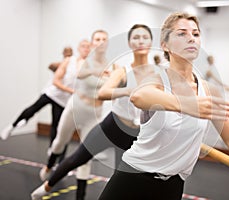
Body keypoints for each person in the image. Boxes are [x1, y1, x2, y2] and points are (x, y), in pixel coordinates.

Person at [98, 12, 229, 200]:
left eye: (195, 34)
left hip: (173, 185)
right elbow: (139, 96)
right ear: (165, 45)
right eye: (182, 34)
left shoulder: (208, 90)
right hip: (133, 176)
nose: (191, 39)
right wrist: (186, 104)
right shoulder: (156, 79)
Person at [31, 24, 158, 200]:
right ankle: (47, 186)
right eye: (136, 37)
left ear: (151, 42)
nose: (141, 41)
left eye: (145, 37)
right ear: (129, 43)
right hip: (112, 125)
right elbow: (103, 92)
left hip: (134, 134)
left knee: (122, 177)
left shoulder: (157, 74)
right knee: (78, 157)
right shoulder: (122, 71)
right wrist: (126, 91)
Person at [38, 30, 109, 200]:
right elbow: (83, 77)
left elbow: (110, 87)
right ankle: (49, 166)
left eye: (103, 39)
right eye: (97, 39)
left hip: (94, 115)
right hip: (74, 109)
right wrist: (104, 78)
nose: (100, 42)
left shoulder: (111, 65)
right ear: (92, 43)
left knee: (86, 156)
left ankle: (80, 196)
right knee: (59, 143)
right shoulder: (83, 62)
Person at [0, 42, 88, 147]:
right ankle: (12, 126)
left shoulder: (88, 66)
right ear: (78, 49)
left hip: (62, 100)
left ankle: (52, 149)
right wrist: (72, 91)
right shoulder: (69, 61)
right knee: (33, 109)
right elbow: (55, 80)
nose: (86, 49)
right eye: (83, 46)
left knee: (56, 125)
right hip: (52, 93)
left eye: (88, 47)